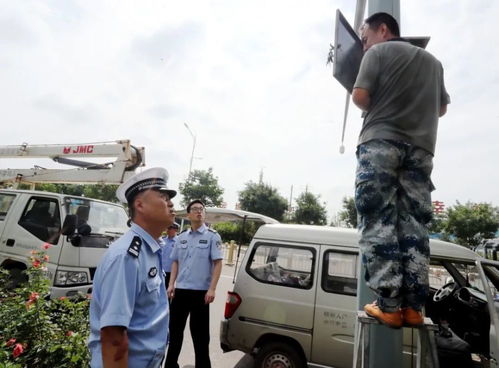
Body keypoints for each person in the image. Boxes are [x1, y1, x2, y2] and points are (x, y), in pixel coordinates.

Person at [351, 12, 450, 328]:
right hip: (421, 150)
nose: (364, 44)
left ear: (382, 29)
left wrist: (384, 101)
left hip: (381, 142)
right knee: (413, 224)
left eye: (365, 38)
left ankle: (389, 305)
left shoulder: (377, 53)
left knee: (377, 217)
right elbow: (441, 108)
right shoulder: (434, 63)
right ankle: (413, 308)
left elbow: (361, 96)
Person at [88, 167, 177, 368]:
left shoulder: (150, 249)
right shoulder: (126, 256)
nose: (170, 203)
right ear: (140, 205)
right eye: (163, 196)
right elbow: (114, 337)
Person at [165, 199, 223, 368]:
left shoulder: (212, 236)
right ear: (189, 214)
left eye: (201, 209)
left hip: (201, 294)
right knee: (174, 334)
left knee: (201, 337)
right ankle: (170, 365)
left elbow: (218, 263)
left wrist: (212, 288)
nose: (199, 211)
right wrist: (171, 284)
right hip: (181, 292)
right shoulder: (181, 237)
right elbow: (175, 261)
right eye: (195, 209)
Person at [161, 222, 179, 288]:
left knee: (169, 290)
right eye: (167, 228)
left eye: (170, 228)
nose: (168, 230)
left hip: (172, 272)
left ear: (175, 230)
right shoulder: (162, 240)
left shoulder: (179, 241)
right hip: (161, 270)